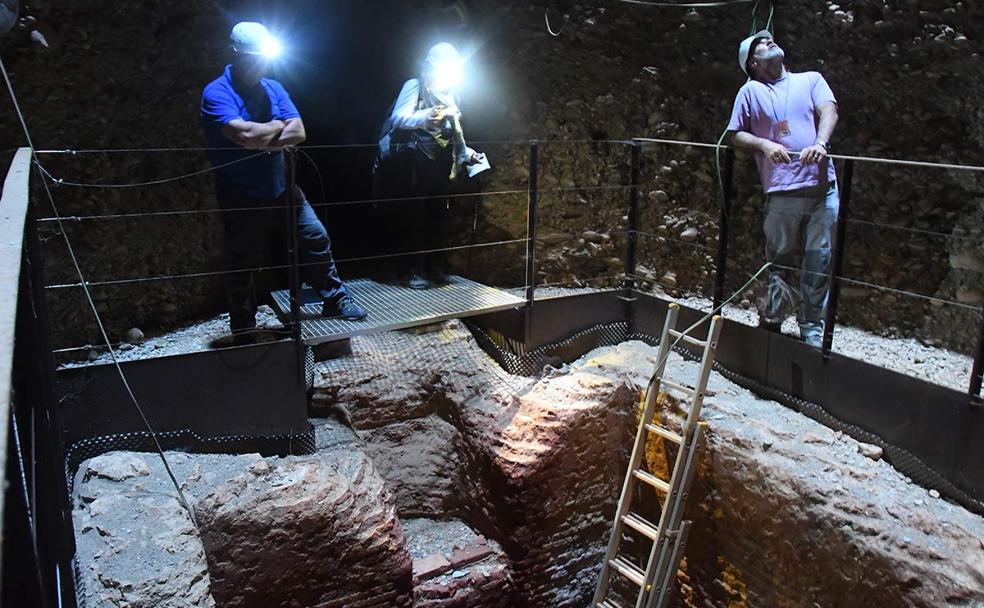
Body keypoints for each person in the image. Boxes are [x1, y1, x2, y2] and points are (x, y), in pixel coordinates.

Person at [201, 22, 366, 343]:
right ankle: (244, 326)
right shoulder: (217, 92)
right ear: (236, 54)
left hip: (281, 187)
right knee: (243, 257)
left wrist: (261, 134)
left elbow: (299, 132)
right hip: (241, 192)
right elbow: (243, 135)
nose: (260, 63)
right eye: (254, 57)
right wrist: (277, 127)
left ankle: (334, 298)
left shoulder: (273, 88)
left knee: (314, 236)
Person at [726, 30, 839, 347]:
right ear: (753, 63)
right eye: (760, 44)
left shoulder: (811, 80)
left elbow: (829, 110)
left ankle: (811, 331)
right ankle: (773, 324)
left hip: (822, 188)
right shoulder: (750, 91)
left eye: (769, 39)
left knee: (819, 261)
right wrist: (763, 144)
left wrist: (820, 142)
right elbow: (734, 134)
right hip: (782, 191)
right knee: (779, 262)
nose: (769, 41)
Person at [374, 42, 487, 290]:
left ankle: (434, 268)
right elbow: (398, 117)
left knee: (436, 216)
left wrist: (467, 154)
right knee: (411, 215)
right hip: (413, 163)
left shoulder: (452, 93)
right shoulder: (416, 86)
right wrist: (425, 117)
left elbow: (453, 134)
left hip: (437, 164)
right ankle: (408, 270)